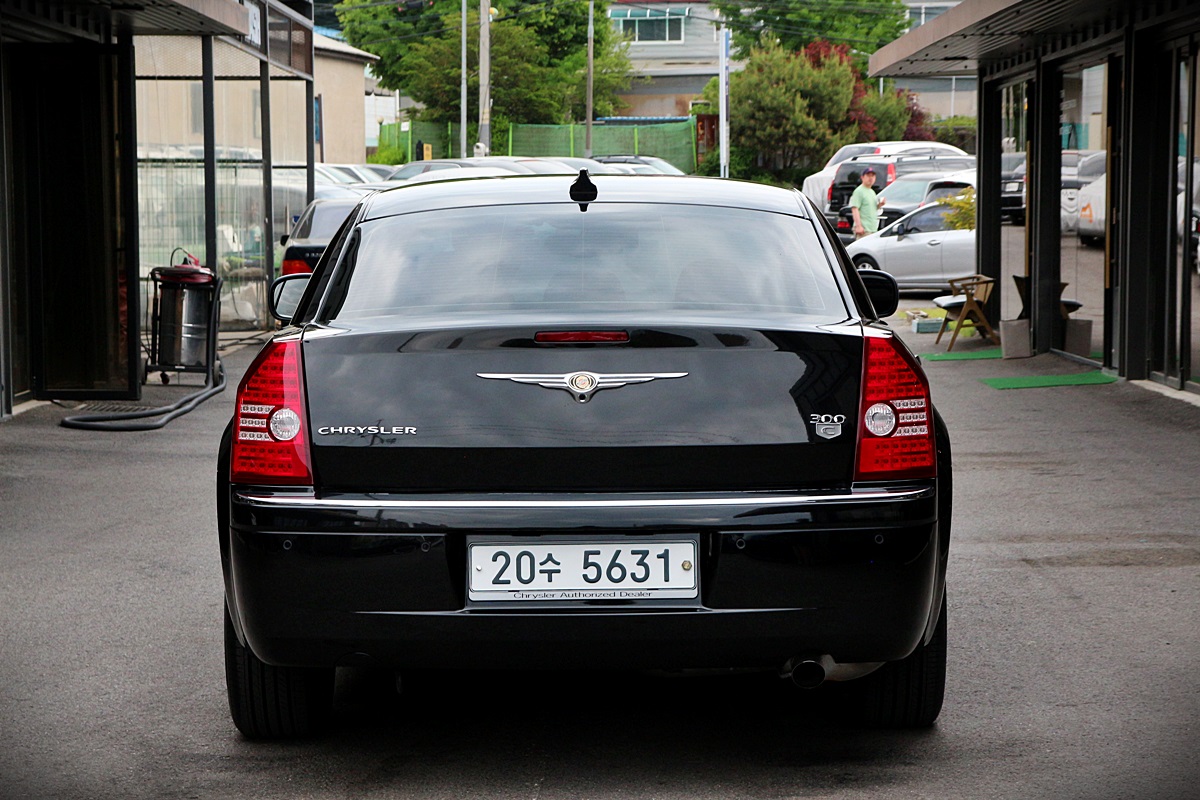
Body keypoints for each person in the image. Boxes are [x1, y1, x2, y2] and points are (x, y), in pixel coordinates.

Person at [849, 166, 886, 239]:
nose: (871, 178)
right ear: (862, 177)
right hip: (864, 230)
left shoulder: (872, 192)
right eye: (868, 176)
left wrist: (880, 205)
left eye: (873, 176)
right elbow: (855, 209)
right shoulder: (859, 191)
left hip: (872, 229)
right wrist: (858, 226)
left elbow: (872, 208)